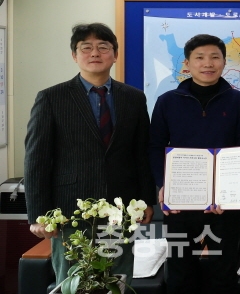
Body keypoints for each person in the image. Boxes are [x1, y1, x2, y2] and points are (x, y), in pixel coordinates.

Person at [25, 22, 156, 286]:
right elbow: (36, 160)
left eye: (103, 47)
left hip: (121, 209)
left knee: (117, 281)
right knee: (73, 282)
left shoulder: (134, 98)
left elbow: (141, 153)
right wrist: (39, 214)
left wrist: (146, 200)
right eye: (86, 48)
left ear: (115, 54)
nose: (95, 53)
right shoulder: (51, 98)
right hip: (70, 211)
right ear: (74, 55)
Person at [149, 34, 240, 294]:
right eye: (200, 57)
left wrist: (229, 194)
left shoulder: (239, 101)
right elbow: (155, 147)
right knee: (179, 273)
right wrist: (162, 185)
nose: (208, 63)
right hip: (180, 206)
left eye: (215, 57)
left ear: (224, 62)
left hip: (224, 208)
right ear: (187, 63)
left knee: (223, 274)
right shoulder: (167, 101)